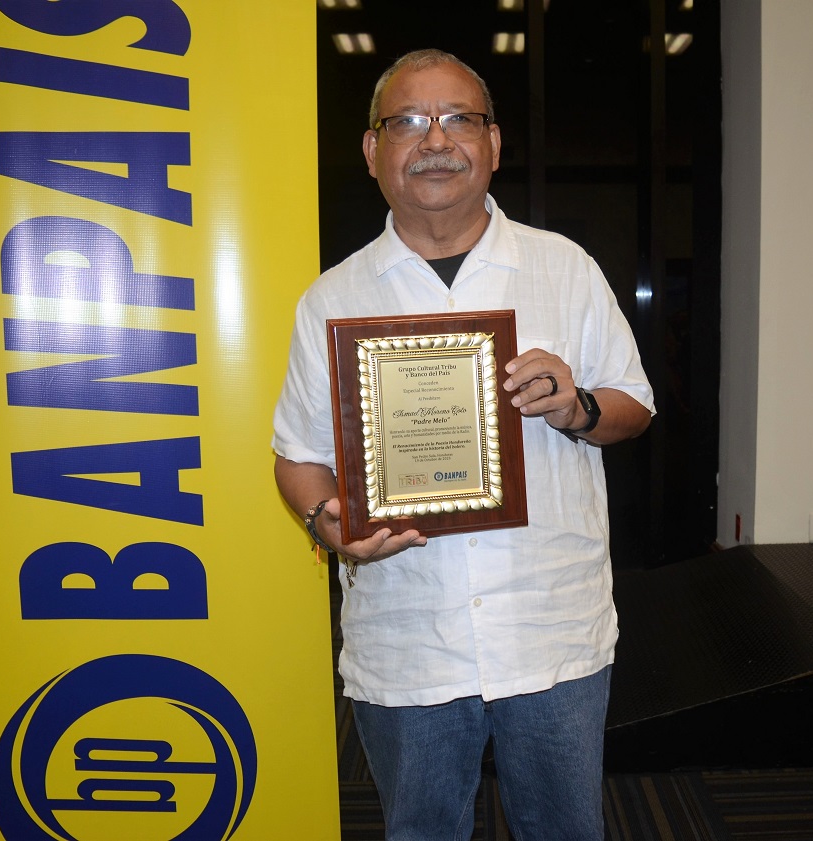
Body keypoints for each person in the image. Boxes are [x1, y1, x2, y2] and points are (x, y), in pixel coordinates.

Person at [273, 49, 654, 841]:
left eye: (459, 118)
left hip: (550, 630)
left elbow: (634, 408)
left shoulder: (564, 270)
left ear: (494, 143)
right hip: (406, 637)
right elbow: (297, 456)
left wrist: (576, 404)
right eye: (407, 120)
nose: (434, 138)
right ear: (373, 150)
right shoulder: (331, 299)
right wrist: (327, 525)